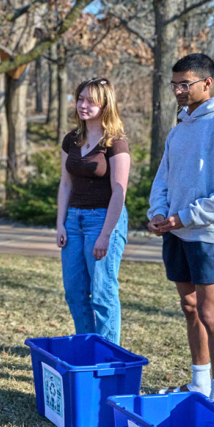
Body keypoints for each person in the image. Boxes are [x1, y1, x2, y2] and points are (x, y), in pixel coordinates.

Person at [147, 53, 214, 409]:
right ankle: (199, 383)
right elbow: (163, 178)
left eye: (185, 84)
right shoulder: (178, 129)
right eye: (174, 84)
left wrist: (184, 217)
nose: (178, 90)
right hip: (176, 232)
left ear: (207, 84)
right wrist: (159, 213)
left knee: (210, 314)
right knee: (189, 307)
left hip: (208, 234)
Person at [55, 77, 131, 342]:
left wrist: (106, 235)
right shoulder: (71, 140)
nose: (83, 105)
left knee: (102, 292)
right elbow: (65, 184)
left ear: (104, 105)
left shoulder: (116, 143)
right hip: (73, 220)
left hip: (103, 219)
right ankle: (88, 350)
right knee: (75, 292)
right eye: (80, 98)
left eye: (90, 101)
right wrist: (60, 224)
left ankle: (109, 355)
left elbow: (119, 192)